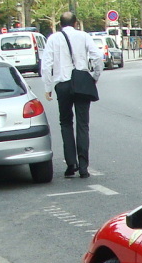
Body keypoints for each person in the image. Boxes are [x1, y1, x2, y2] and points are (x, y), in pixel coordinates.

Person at [41, 12, 103, 179]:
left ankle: (71, 164)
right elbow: (97, 57)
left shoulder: (53, 38)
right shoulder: (83, 36)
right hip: (81, 81)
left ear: (60, 24)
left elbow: (46, 64)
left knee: (66, 122)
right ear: (76, 23)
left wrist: (48, 86)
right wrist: (95, 77)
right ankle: (84, 167)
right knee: (83, 124)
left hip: (62, 83)